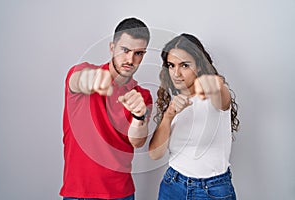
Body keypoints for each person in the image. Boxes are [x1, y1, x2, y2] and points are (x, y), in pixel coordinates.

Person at [60, 17, 152, 200]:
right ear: (112, 47)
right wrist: (87, 80)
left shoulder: (142, 95)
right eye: (125, 50)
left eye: (138, 53)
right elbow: (76, 80)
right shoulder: (85, 71)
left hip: (121, 193)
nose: (130, 59)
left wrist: (139, 116)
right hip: (79, 193)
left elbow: (137, 141)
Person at [149, 33, 240, 200]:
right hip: (172, 185)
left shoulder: (214, 96)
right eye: (171, 65)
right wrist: (168, 116)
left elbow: (223, 97)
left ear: (199, 65)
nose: (176, 73)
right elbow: (155, 154)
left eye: (184, 65)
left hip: (211, 190)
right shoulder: (173, 103)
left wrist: (215, 85)